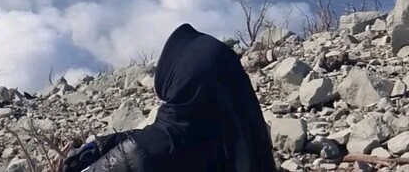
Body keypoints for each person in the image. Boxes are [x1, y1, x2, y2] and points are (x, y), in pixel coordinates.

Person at [63, 23, 276, 172]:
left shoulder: (147, 152)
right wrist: (114, 142)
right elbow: (179, 134)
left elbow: (155, 145)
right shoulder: (239, 128)